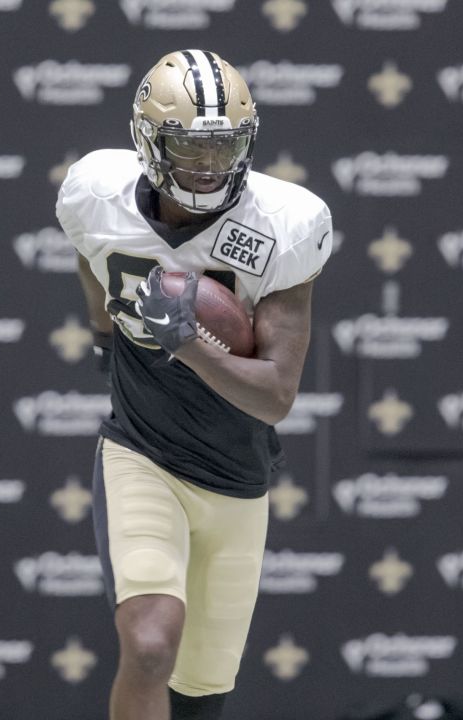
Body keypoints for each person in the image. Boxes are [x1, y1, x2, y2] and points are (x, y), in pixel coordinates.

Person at [55, 49, 332, 720]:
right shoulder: (96, 195)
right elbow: (94, 260)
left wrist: (189, 347)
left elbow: (276, 395)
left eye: (224, 148)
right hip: (141, 457)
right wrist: (103, 332)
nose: (208, 167)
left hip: (236, 478)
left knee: (201, 700)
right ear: (149, 140)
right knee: (150, 647)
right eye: (190, 148)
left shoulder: (283, 225)